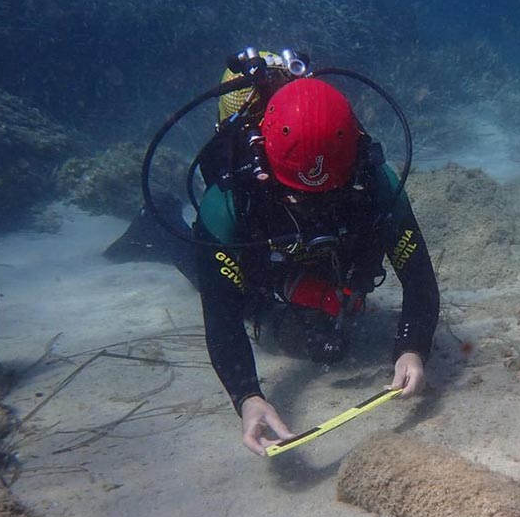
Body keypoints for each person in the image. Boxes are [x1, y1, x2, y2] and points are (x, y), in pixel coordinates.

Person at [109, 54, 440, 457]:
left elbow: (419, 279)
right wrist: (247, 396)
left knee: (335, 326)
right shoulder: (229, 202)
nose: (316, 209)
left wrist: (412, 348)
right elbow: (221, 312)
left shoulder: (377, 183)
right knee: (243, 295)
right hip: (264, 257)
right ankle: (159, 234)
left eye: (330, 195)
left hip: (323, 253)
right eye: (299, 197)